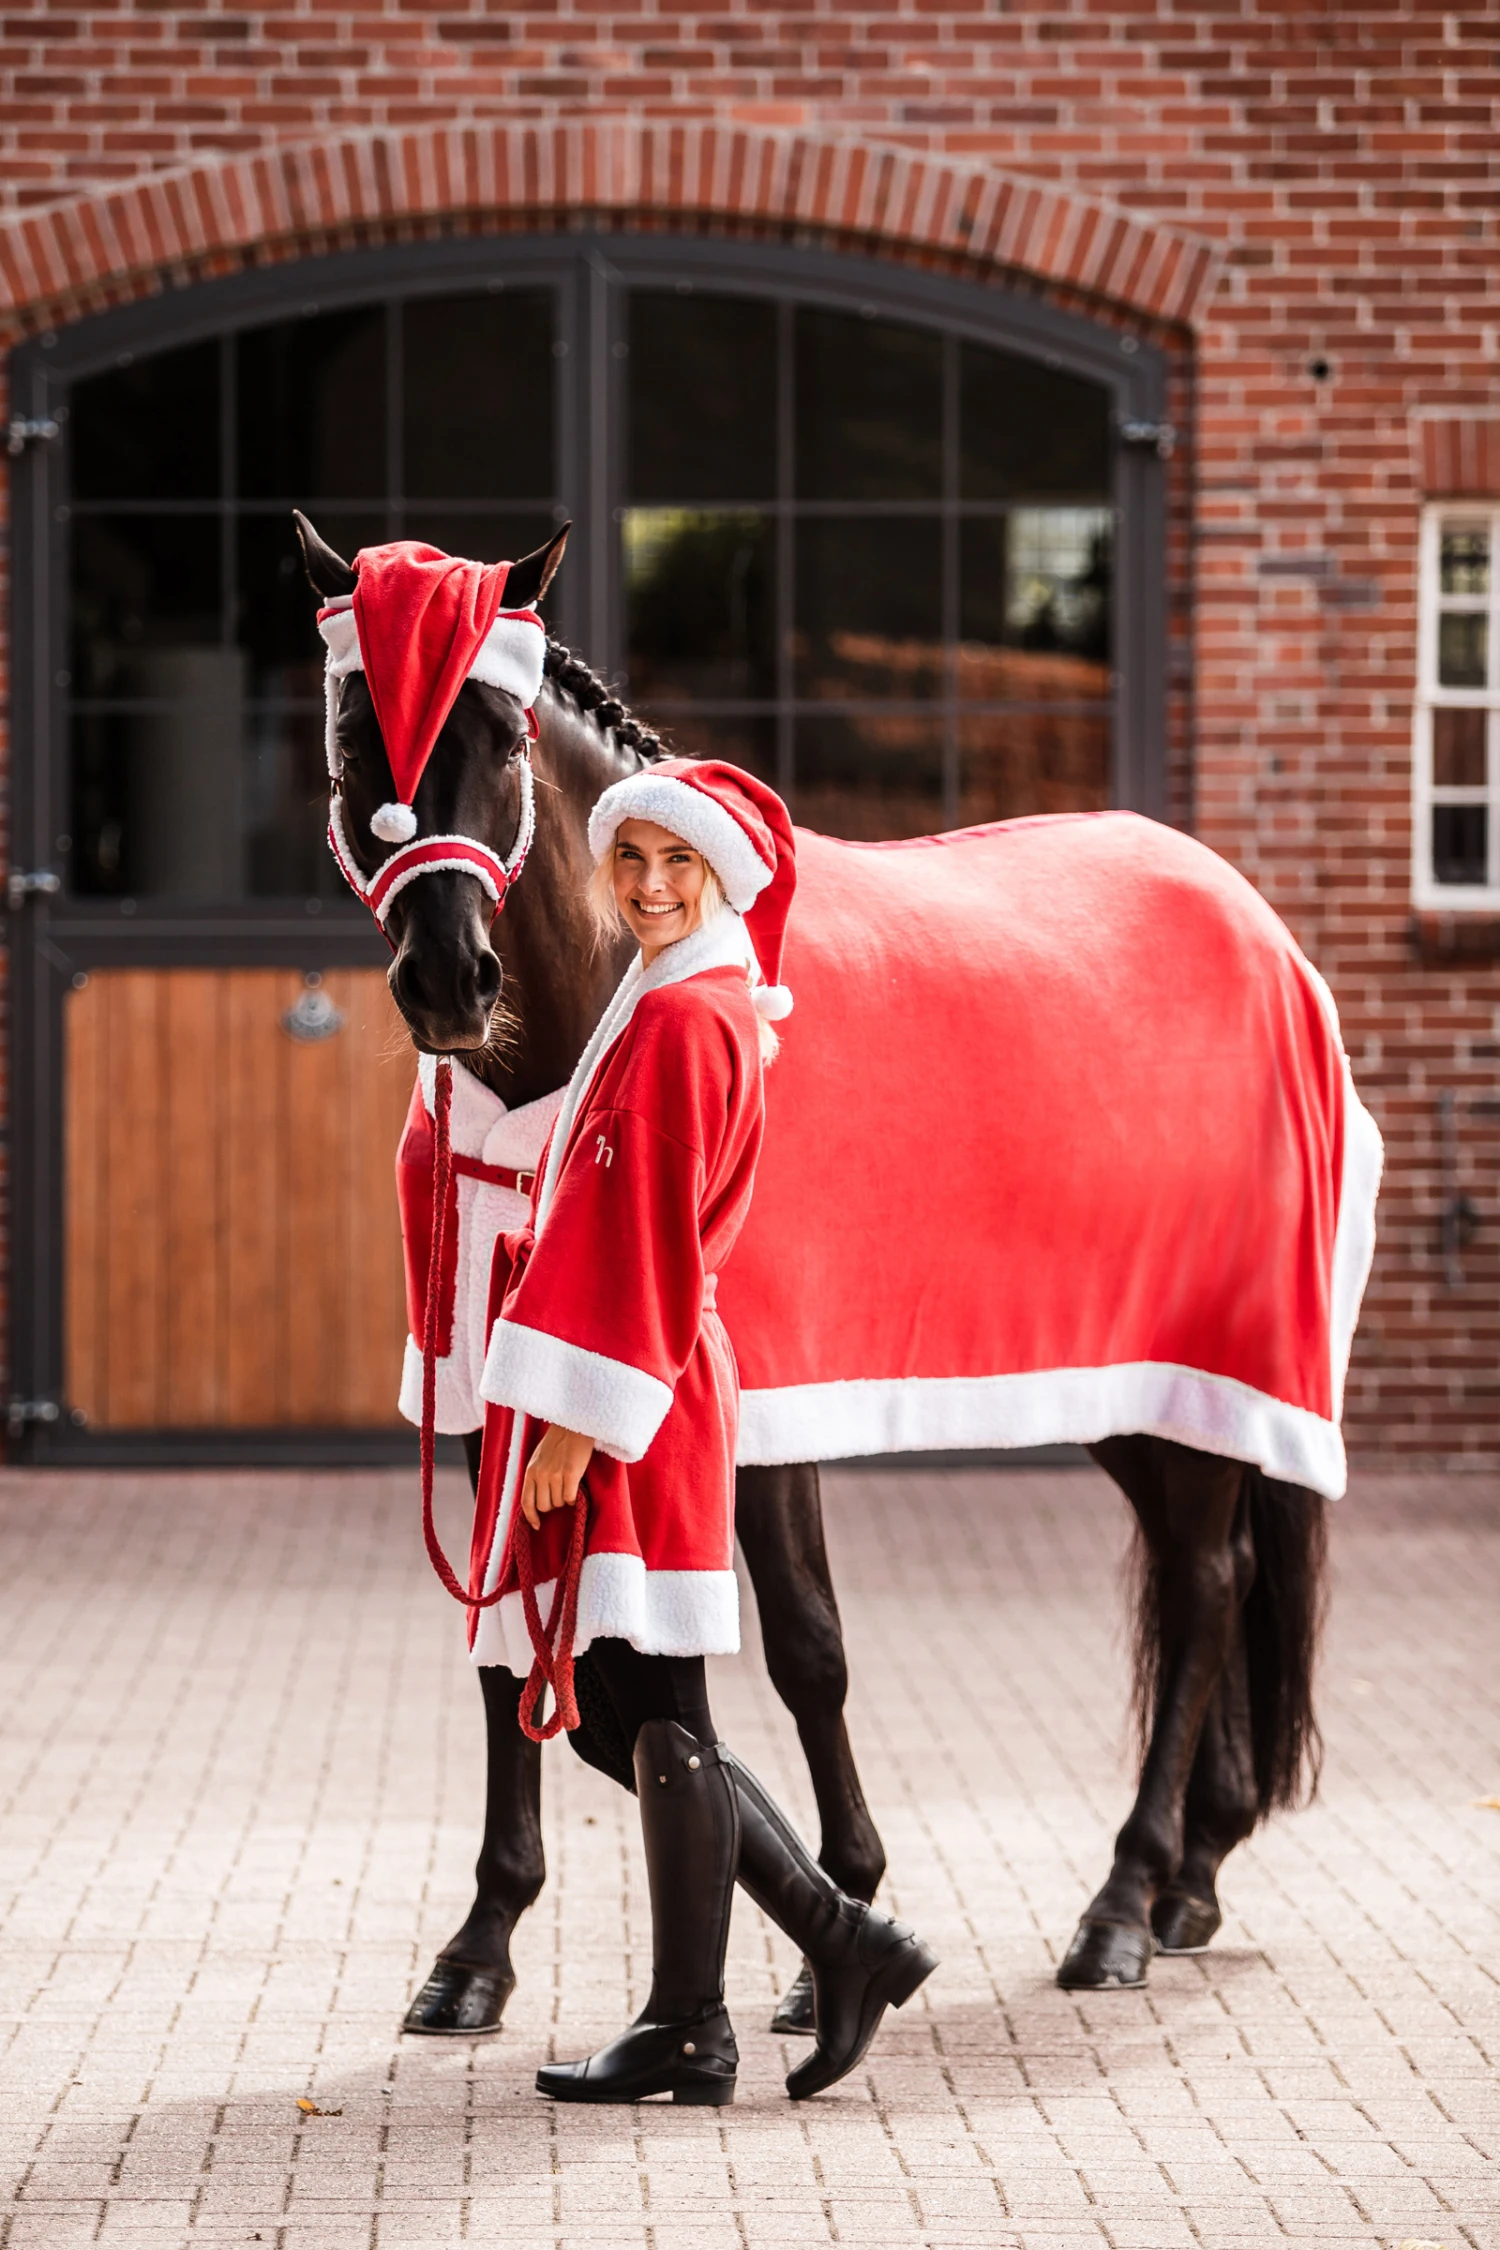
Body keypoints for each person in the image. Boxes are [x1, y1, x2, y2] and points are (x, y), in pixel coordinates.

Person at [467, 759, 937, 2106]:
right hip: (643, 1388)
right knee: (622, 1717)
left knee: (653, 1708)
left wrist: (580, 1426)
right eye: (633, 863)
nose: (653, 886)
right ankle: (825, 1950)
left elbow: (646, 1246)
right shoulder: (676, 994)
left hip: (639, 1399)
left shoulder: (685, 1022)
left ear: (723, 874)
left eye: (681, 864)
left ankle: (711, 2011)